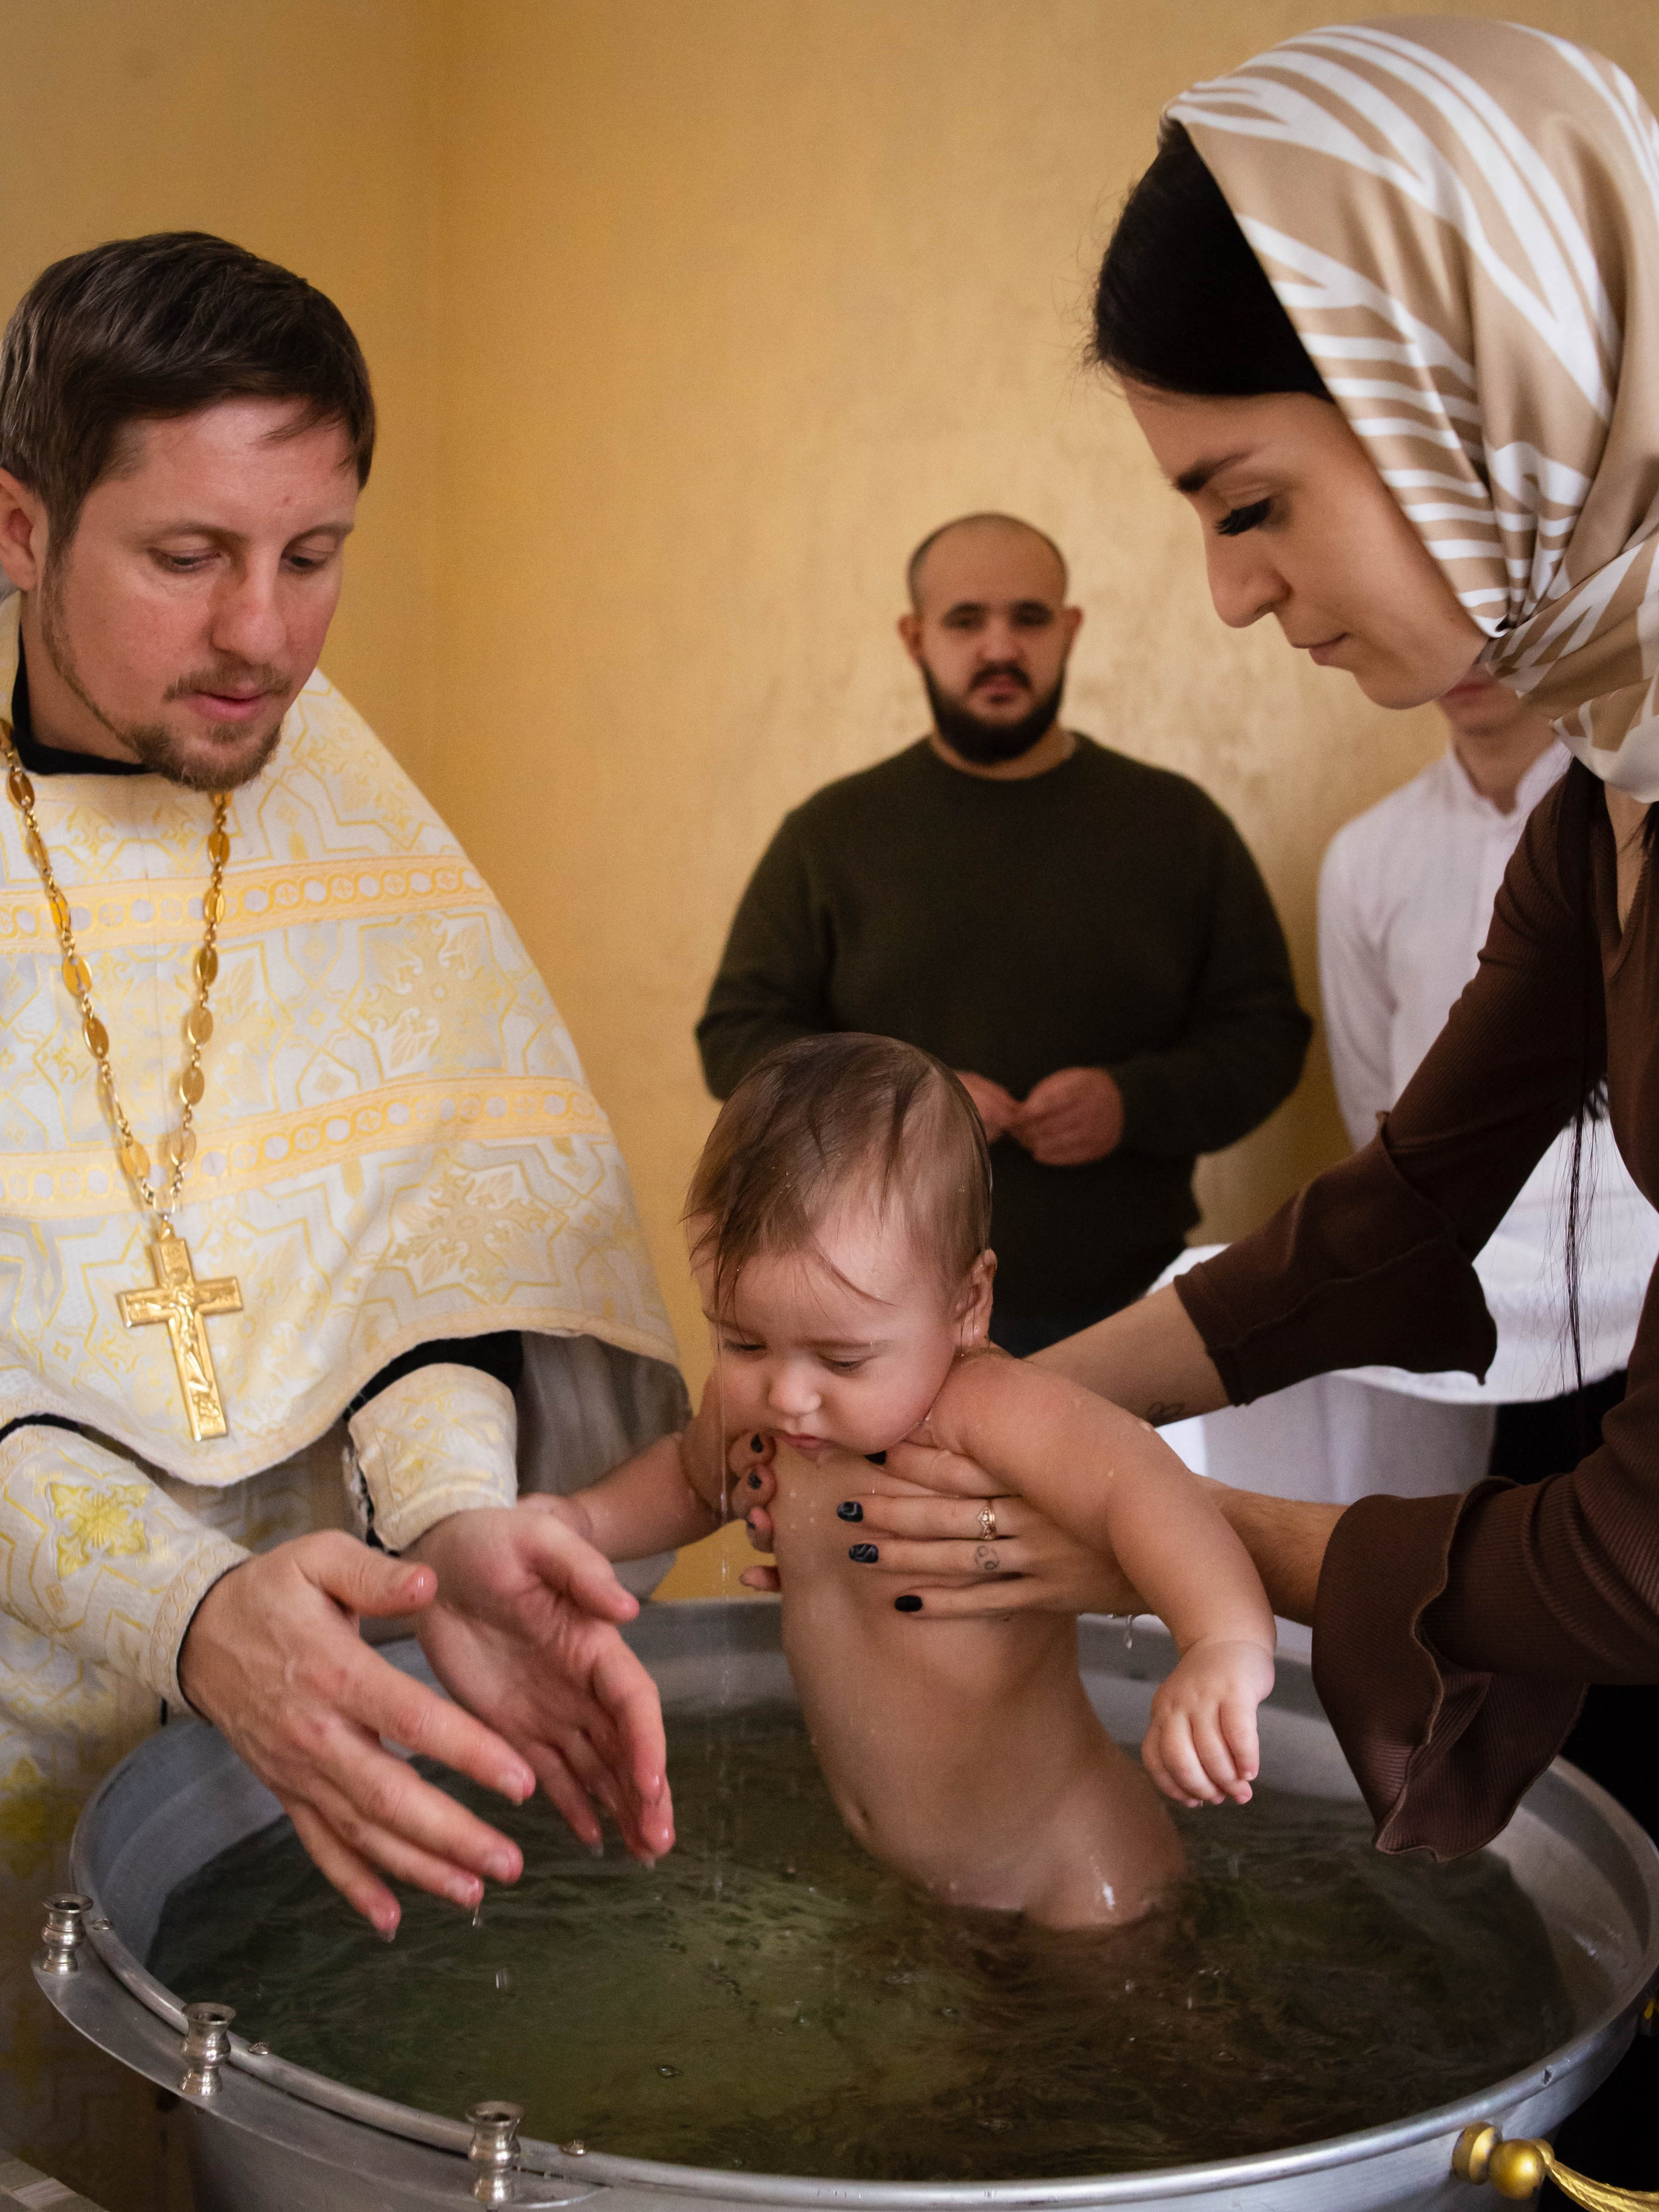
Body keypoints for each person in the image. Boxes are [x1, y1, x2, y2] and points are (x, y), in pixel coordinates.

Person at [785, 21, 1659, 2188]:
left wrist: (1150, 1540)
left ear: (1478, 398)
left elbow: (1636, 1558)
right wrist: (986, 1410)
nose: (1236, 594)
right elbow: (1394, 1218)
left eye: (1252, 506)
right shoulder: (1607, 812)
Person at [0, 231, 692, 2177]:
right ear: (19, 527)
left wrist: (455, 1520)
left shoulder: (346, 805)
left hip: (306, 1769)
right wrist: (181, 1605)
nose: (265, 635)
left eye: (313, 555)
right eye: (189, 554)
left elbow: (426, 1269)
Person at [553, 1034, 1275, 1927]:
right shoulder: (762, 1414)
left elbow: (1144, 1488)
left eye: (843, 1358)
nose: (788, 1392)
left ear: (967, 1304)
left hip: (1072, 1868)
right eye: (741, 1340)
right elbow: (688, 1481)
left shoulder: (984, 1410)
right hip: (924, 1875)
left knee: (1130, 2009)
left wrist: (1221, 1643)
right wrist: (573, 1524)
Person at [696, 513, 1312, 1355]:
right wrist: (902, 1103)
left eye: (1028, 617)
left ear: (1069, 629)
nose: (999, 647)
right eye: (965, 620)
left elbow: (1266, 1035)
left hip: (1129, 1304)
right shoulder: (831, 836)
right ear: (915, 638)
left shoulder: (1176, 825)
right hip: (877, 1316)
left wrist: (1133, 1102)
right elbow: (736, 1037)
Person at [1319, 668, 1659, 1449]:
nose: (1470, 659)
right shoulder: (1365, 857)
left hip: (1639, 1274)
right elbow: (1372, 1094)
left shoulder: (1632, 819)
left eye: (1492, 618)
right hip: (1460, 1281)